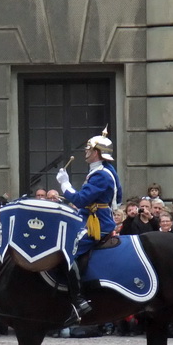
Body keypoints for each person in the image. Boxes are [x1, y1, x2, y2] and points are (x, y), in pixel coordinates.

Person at [56, 127, 122, 323]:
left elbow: (81, 199)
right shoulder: (105, 171)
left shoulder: (101, 174)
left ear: (96, 152)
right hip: (92, 217)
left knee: (68, 251)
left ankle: (79, 301)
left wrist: (64, 184)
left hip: (97, 223)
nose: (85, 152)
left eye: (88, 149)